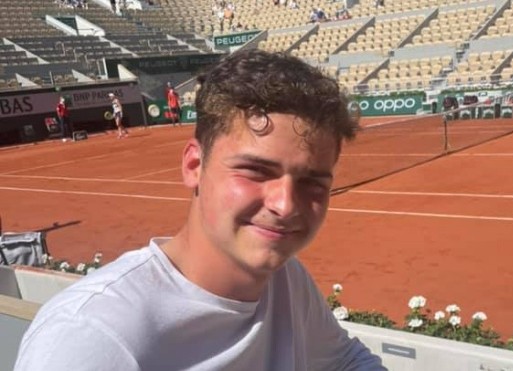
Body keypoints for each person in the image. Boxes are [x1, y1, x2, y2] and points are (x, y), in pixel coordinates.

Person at [14, 50, 385, 371]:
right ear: (194, 166)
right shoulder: (91, 340)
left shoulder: (287, 282)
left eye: (313, 182)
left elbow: (345, 360)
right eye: (256, 170)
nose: (285, 205)